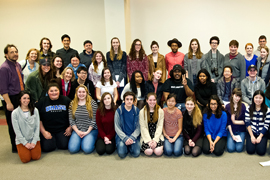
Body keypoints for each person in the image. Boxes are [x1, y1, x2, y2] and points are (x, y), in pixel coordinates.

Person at [0, 44, 24, 152]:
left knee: (20, 121)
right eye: (11, 52)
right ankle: (15, 147)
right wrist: (8, 103)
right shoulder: (4, 68)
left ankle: (21, 142)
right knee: (12, 122)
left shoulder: (17, 65)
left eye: (16, 52)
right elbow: (3, 88)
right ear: (6, 54)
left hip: (19, 96)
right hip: (10, 98)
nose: (15, 54)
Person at [36, 82, 72, 152]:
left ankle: (58, 139)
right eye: (51, 91)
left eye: (56, 90)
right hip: (48, 130)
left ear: (59, 91)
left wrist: (70, 128)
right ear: (48, 92)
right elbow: (38, 119)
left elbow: (73, 114)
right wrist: (43, 132)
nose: (54, 93)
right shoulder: (42, 101)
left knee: (64, 145)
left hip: (62, 130)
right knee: (47, 148)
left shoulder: (66, 100)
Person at [11, 90, 41, 163]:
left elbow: (37, 127)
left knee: (36, 157)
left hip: (34, 138)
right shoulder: (15, 113)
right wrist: (25, 143)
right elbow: (17, 130)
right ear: (20, 99)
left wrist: (34, 141)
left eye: (28, 98)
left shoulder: (35, 110)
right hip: (21, 140)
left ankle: (33, 146)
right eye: (24, 98)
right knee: (25, 159)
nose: (26, 100)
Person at [68, 85, 98, 154]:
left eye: (83, 92)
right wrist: (78, 132)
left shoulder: (92, 103)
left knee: (87, 149)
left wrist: (87, 132)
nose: (81, 94)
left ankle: (89, 140)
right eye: (79, 92)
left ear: (87, 93)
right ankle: (82, 140)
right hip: (78, 130)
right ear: (76, 93)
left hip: (91, 130)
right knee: (72, 149)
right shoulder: (72, 104)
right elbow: (71, 120)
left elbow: (94, 120)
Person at [115, 92, 141, 158]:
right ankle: (126, 146)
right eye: (127, 99)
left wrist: (132, 137)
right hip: (122, 137)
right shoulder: (119, 111)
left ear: (133, 101)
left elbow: (139, 127)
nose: (129, 101)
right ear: (124, 100)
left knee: (136, 153)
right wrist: (125, 138)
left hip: (133, 136)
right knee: (121, 154)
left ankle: (129, 145)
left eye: (131, 99)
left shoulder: (136, 110)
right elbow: (117, 127)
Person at [245, 90, 270, 156]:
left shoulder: (267, 109)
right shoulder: (249, 108)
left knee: (261, 152)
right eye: (256, 97)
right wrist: (252, 136)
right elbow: (248, 123)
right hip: (251, 132)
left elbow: (266, 125)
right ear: (253, 98)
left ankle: (260, 142)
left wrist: (260, 137)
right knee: (250, 151)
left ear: (263, 99)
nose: (258, 100)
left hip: (262, 133)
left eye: (260, 98)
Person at [107, 37, 127, 105]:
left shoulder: (123, 53)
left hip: (122, 78)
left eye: (116, 42)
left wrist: (119, 80)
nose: (115, 44)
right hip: (112, 78)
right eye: (114, 42)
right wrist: (115, 81)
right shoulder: (108, 54)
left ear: (119, 44)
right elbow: (110, 67)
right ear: (111, 44)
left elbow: (123, 67)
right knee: (114, 96)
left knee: (122, 96)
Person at [225, 88, 246, 153]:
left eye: (239, 96)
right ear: (232, 95)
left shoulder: (243, 106)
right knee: (230, 149)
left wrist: (234, 121)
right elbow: (228, 123)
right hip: (232, 130)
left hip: (241, 130)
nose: (237, 98)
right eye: (236, 96)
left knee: (239, 149)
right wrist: (232, 135)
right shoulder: (228, 106)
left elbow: (244, 121)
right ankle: (231, 138)